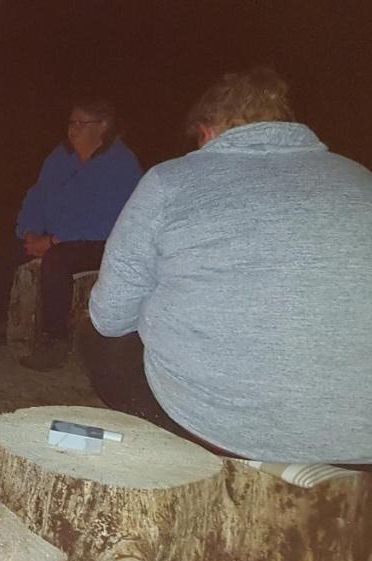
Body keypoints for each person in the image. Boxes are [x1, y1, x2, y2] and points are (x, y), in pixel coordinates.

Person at [85, 67, 372, 464]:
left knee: (97, 337)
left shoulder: (171, 181)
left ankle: (192, 453)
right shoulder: (360, 180)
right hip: (356, 439)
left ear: (207, 131)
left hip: (215, 427)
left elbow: (110, 317)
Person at [0, 99, 142, 371]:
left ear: (103, 126)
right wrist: (29, 230)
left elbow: (110, 219)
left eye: (81, 123)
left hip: (99, 240)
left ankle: (56, 341)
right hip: (53, 235)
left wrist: (53, 241)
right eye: (71, 123)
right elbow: (38, 195)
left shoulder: (120, 163)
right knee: (1, 247)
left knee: (57, 261)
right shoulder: (61, 156)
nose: (73, 130)